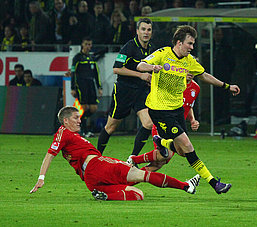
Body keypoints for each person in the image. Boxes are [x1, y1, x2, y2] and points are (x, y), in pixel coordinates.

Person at [136, 25, 240, 194]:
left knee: (183, 152)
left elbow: (204, 75)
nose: (192, 47)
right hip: (160, 110)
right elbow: (141, 65)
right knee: (188, 145)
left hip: (177, 111)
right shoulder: (163, 54)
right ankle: (214, 183)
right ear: (179, 43)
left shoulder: (189, 61)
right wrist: (152, 67)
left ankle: (160, 141)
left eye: (193, 44)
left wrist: (226, 86)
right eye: (189, 43)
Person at [29, 106, 200, 201]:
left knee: (137, 194)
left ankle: (104, 196)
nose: (79, 120)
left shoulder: (72, 136)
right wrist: (41, 178)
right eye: (75, 118)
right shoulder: (63, 132)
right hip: (97, 166)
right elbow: (50, 154)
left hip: (93, 180)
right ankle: (186, 186)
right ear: (65, 120)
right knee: (141, 175)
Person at [97, 18, 155, 157]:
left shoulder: (152, 49)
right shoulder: (129, 47)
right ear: (137, 31)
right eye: (143, 29)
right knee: (110, 127)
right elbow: (116, 69)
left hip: (141, 91)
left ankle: (133, 158)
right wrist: (140, 75)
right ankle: (95, 157)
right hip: (124, 91)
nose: (146, 32)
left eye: (149, 30)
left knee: (148, 124)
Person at [127, 73, 200, 172]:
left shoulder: (195, 88)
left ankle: (129, 173)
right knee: (164, 156)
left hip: (178, 128)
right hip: (163, 123)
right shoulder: (171, 83)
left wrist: (192, 120)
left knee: (160, 162)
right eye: (188, 70)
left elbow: (188, 106)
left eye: (193, 71)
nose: (191, 73)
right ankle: (133, 160)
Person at [68, 36, 102, 137]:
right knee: (83, 107)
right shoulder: (77, 57)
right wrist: (72, 88)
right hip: (81, 84)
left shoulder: (92, 58)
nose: (88, 46)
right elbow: (73, 72)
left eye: (90, 44)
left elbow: (96, 74)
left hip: (91, 84)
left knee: (93, 108)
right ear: (82, 45)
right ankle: (84, 130)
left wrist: (99, 87)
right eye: (86, 44)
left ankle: (80, 125)